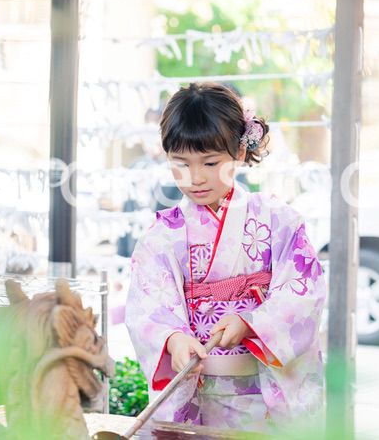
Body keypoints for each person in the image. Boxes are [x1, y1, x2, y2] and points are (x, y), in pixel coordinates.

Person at [125, 83, 326, 432]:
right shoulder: (161, 238)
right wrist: (173, 339)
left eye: (211, 162)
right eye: (181, 163)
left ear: (238, 152)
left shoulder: (279, 221)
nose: (196, 177)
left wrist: (251, 323)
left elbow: (304, 291)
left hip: (265, 393)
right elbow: (147, 307)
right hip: (202, 392)